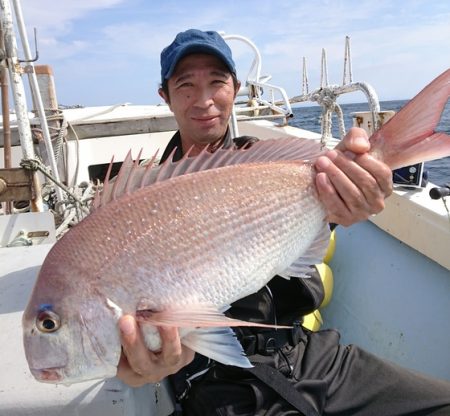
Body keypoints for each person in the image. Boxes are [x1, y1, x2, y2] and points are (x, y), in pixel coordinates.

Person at [116, 29, 450, 415]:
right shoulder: (139, 204)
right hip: (220, 382)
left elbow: (317, 207)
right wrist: (138, 369)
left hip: (308, 355)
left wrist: (349, 196)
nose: (204, 100)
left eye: (217, 82)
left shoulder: (268, 162)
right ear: (165, 95)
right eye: (186, 84)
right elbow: (128, 343)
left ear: (236, 88)